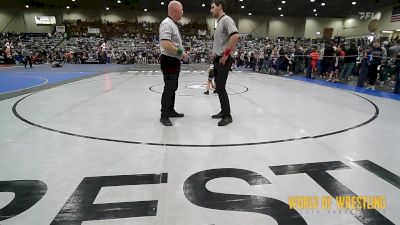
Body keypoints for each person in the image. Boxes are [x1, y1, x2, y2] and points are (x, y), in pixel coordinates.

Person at [158, 0, 189, 126]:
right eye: (181, 10)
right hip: (169, 60)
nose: (182, 12)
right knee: (169, 87)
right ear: (175, 10)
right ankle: (164, 115)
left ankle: (170, 110)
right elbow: (166, 45)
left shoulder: (173, 24)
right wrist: (182, 53)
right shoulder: (167, 24)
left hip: (173, 60)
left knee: (173, 87)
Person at [210, 0, 239, 126]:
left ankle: (228, 116)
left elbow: (235, 36)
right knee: (218, 87)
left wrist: (226, 54)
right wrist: (215, 54)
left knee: (221, 87)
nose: (211, 10)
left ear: (219, 7)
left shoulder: (227, 19)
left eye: (212, 7)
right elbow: (222, 41)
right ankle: (223, 111)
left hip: (224, 59)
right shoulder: (219, 22)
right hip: (219, 58)